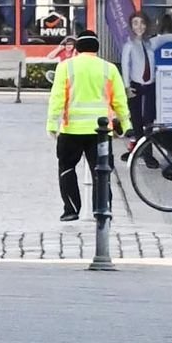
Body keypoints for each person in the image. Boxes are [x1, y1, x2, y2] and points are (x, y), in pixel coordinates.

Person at [48, 25, 132, 219]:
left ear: (77, 47)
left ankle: (70, 210)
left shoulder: (65, 67)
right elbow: (119, 100)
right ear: (97, 49)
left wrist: (52, 125)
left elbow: (57, 98)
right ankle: (102, 209)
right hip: (101, 132)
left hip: (71, 130)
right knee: (101, 172)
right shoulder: (108, 68)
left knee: (67, 169)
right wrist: (127, 126)